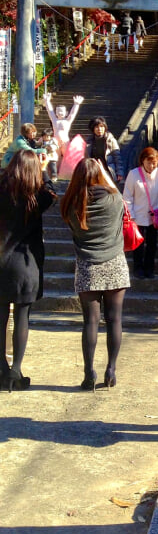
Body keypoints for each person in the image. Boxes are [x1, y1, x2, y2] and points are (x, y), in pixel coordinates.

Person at [61, 159, 130, 390]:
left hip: (88, 267)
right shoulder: (114, 199)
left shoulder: (71, 205)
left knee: (90, 321)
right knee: (115, 320)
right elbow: (119, 197)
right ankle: (111, 369)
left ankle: (89, 371)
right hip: (115, 264)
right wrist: (106, 175)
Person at [0, 150, 56, 391]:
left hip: (1, 259)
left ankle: (2, 367)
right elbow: (52, 191)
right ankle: (15, 371)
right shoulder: (38, 196)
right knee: (22, 316)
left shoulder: (2, 189)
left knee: (1, 317)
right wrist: (44, 168)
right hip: (26, 262)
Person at [123, 147, 158, 280]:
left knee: (152, 244)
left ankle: (150, 268)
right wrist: (131, 216)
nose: (152, 165)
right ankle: (138, 268)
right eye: (149, 162)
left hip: (154, 216)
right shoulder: (133, 174)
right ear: (142, 161)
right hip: (137, 215)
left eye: (154, 162)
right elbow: (127, 196)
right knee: (138, 244)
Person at [85, 117, 123, 182]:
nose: (99, 129)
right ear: (93, 128)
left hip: (108, 171)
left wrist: (119, 172)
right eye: (96, 127)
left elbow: (117, 158)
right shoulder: (89, 142)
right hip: (94, 172)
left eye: (101, 126)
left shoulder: (111, 140)